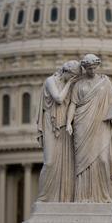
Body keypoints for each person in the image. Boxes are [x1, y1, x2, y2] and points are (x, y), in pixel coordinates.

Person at [66, 54, 112, 203]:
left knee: (103, 160)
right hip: (82, 124)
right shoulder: (78, 85)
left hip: (101, 125)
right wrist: (68, 123)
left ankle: (102, 196)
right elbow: (73, 104)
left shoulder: (105, 82)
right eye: (89, 68)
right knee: (81, 164)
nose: (92, 71)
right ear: (84, 68)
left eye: (94, 68)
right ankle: (82, 196)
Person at [36, 60, 81, 202]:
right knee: (49, 162)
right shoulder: (51, 81)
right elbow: (59, 98)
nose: (74, 79)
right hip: (51, 124)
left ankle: (63, 197)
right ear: (66, 72)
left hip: (65, 126)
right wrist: (69, 83)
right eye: (73, 76)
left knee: (65, 165)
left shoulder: (72, 85)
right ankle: (44, 197)